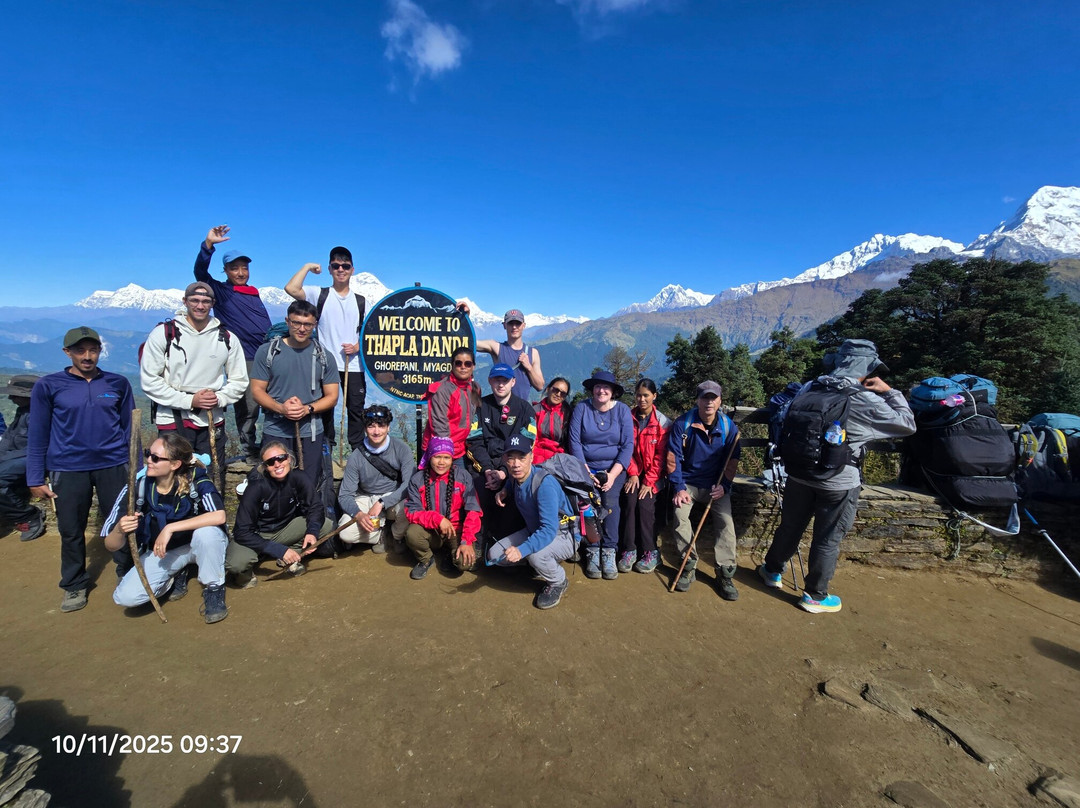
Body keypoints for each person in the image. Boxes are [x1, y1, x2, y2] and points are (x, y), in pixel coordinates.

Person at [758, 339, 915, 614]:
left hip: (800, 472)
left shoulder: (811, 386)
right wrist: (889, 392)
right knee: (827, 537)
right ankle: (816, 596)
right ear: (867, 369)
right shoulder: (864, 398)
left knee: (790, 526)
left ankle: (772, 571)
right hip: (839, 480)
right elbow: (906, 425)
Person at [27, 326, 135, 613]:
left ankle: (127, 572)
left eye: (93, 350)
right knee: (71, 529)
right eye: (80, 350)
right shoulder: (49, 386)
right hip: (67, 467)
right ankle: (74, 584)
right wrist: (35, 477)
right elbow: (38, 433)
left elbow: (129, 430)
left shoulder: (118, 383)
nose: (87, 356)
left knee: (123, 522)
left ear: (101, 351)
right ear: (67, 352)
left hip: (113, 465)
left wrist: (133, 465)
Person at [102, 433, 229, 623]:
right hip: (165, 552)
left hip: (199, 544)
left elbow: (219, 515)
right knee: (125, 597)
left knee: (207, 533)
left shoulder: (197, 481)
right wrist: (120, 530)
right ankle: (173, 576)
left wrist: (170, 528)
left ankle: (214, 588)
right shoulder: (137, 488)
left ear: (175, 464)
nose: (148, 461)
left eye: (155, 457)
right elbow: (110, 545)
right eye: (148, 453)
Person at [140, 281, 248, 488]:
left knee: (212, 477)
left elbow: (239, 380)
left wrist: (219, 398)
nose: (200, 306)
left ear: (212, 303)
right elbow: (149, 381)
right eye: (195, 300)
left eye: (206, 301)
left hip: (211, 419)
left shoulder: (226, 337)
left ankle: (210, 517)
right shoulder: (164, 334)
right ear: (185, 302)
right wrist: (190, 400)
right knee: (170, 479)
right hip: (172, 418)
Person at [194, 225, 273, 460]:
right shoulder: (221, 291)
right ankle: (249, 450)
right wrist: (208, 246)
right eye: (234, 268)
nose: (240, 272)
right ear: (225, 270)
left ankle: (271, 446)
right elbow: (200, 273)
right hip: (245, 356)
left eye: (244, 268)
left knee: (272, 402)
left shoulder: (252, 292)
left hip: (267, 353)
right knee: (248, 406)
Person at [250, 300, 340, 494]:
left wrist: (307, 409)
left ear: (315, 324)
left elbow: (332, 396)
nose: (301, 329)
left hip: (311, 431)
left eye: (307, 324)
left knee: (309, 484)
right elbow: (257, 390)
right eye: (296, 323)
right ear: (287, 321)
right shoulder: (268, 352)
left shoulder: (324, 356)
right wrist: (281, 409)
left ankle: (307, 522)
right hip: (276, 429)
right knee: (273, 485)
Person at [284, 248, 366, 451]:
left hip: (354, 364)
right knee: (325, 408)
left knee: (355, 409)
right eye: (336, 266)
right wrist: (307, 267)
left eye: (345, 266)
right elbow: (291, 289)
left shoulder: (361, 301)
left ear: (352, 270)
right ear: (330, 269)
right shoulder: (319, 294)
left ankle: (357, 450)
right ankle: (326, 448)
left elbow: (373, 331)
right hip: (324, 363)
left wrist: (358, 346)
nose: (341, 269)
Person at [225, 441, 338, 586]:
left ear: (289, 459)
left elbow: (315, 507)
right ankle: (246, 574)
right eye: (271, 462)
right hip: (256, 534)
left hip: (285, 529)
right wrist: (277, 549)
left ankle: (291, 555)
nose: (277, 464)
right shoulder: (256, 487)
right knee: (236, 564)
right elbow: (241, 532)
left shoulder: (299, 478)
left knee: (325, 525)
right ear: (265, 467)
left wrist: (312, 531)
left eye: (281, 458)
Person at [488, 428, 577, 610]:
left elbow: (548, 530)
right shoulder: (515, 478)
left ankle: (558, 581)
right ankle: (543, 561)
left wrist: (522, 551)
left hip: (563, 535)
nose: (516, 464)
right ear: (505, 459)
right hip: (534, 529)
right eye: (511, 457)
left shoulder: (545, 485)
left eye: (521, 457)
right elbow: (516, 486)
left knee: (536, 556)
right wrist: (505, 491)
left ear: (531, 457)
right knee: (495, 555)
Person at [668, 381, 742, 599]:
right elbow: (673, 459)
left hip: (715, 485)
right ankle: (688, 564)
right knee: (680, 516)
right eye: (704, 397)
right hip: (688, 483)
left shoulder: (729, 427)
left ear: (720, 401)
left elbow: (733, 460)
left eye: (713, 398)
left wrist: (725, 486)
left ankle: (725, 572)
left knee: (726, 522)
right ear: (697, 400)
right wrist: (679, 487)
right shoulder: (683, 424)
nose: (709, 402)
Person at [568, 370, 634, 580]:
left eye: (606, 387)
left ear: (613, 391)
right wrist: (586, 472)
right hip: (586, 468)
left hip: (613, 468)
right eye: (598, 386)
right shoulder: (582, 408)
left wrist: (613, 475)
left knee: (610, 502)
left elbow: (627, 446)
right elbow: (575, 442)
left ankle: (609, 550)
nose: (601, 390)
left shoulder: (622, 411)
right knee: (588, 504)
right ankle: (593, 549)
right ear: (592, 389)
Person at [465, 363, 533, 542]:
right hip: (484, 467)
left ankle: (508, 543)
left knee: (514, 499)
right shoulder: (480, 406)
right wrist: (488, 470)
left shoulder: (525, 409)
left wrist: (504, 471)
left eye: (505, 380)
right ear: (490, 381)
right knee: (476, 492)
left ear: (513, 382)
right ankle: (477, 541)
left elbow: (526, 445)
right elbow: (474, 442)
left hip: (512, 467)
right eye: (497, 380)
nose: (501, 384)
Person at [337, 405, 415, 554]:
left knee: (410, 507)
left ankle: (396, 535)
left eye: (381, 425)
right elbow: (345, 494)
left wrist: (383, 503)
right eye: (371, 426)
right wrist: (359, 515)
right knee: (345, 533)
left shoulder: (401, 449)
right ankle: (379, 534)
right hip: (366, 497)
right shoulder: (356, 456)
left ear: (388, 428)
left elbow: (408, 484)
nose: (376, 431)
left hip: (393, 496)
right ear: (365, 429)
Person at [403, 437, 482, 580]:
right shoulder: (417, 479)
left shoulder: (463, 476)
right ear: (429, 457)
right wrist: (437, 519)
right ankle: (426, 558)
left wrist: (467, 541)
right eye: (437, 457)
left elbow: (473, 511)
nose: (441, 462)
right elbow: (412, 511)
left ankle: (450, 553)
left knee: (463, 563)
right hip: (431, 530)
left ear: (452, 459)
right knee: (412, 534)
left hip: (456, 530)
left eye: (446, 457)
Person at [619, 379, 670, 574]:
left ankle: (651, 551)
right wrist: (632, 473)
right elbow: (625, 447)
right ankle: (629, 549)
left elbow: (661, 456)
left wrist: (649, 481)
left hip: (654, 476)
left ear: (654, 396)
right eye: (639, 395)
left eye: (646, 395)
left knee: (645, 504)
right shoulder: (627, 417)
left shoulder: (662, 422)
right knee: (630, 501)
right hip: (633, 473)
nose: (642, 399)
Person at [0, 375, 43, 542]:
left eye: (15, 395)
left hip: (35, 458)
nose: (11, 398)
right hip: (18, 457)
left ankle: (29, 515)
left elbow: (35, 449)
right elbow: (9, 438)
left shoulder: (41, 414)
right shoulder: (23, 411)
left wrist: (4, 459)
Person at [420, 346, 480, 466]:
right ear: (452, 365)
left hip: (462, 449)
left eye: (468, 364)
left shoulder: (475, 388)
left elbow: (475, 417)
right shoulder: (441, 390)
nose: (463, 367)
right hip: (440, 450)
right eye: (458, 363)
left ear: (473, 366)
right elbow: (439, 427)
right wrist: (446, 454)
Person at [476, 309, 544, 395]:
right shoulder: (496, 348)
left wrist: (529, 367)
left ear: (523, 325)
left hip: (522, 407)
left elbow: (540, 386)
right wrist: (465, 316)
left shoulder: (533, 353)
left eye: (518, 323)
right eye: (511, 323)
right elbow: (470, 342)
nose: (514, 327)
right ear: (504, 325)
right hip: (501, 407)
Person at [533, 377, 573, 465]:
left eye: (562, 393)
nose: (558, 394)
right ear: (548, 389)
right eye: (556, 390)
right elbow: (532, 439)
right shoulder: (535, 411)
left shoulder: (568, 414)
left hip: (560, 458)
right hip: (536, 456)